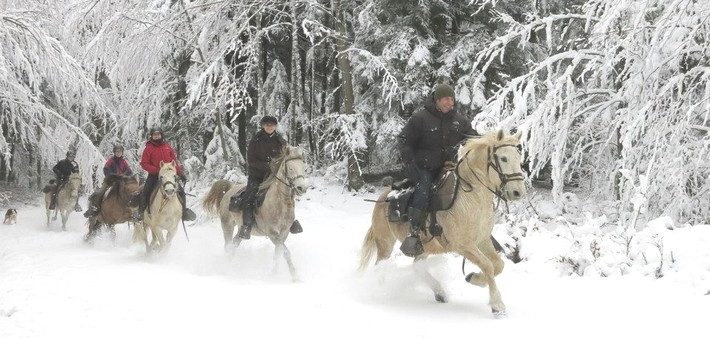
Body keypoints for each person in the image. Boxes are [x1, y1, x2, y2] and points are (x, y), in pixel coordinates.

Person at [397, 84, 475, 257]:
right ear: (437, 100)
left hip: (448, 167)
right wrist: (409, 160)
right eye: (446, 98)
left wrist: (492, 142)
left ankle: (477, 229)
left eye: (452, 98)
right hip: (422, 167)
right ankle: (414, 232)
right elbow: (403, 139)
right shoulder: (421, 118)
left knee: (467, 187)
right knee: (424, 188)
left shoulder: (459, 121)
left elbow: (473, 138)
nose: (450, 102)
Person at [233, 115, 302, 239]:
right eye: (267, 125)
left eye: (272, 125)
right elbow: (251, 160)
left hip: (275, 177)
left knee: (289, 195)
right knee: (249, 197)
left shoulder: (281, 141)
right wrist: (267, 165)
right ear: (263, 126)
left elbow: (286, 158)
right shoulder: (256, 141)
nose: (269, 127)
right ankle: (247, 226)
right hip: (257, 176)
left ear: (275, 126)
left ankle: (291, 222)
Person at [133, 127, 196, 222]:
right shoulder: (148, 148)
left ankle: (183, 212)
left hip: (169, 175)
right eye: (155, 134)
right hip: (155, 175)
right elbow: (144, 164)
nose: (157, 136)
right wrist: (158, 170)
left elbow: (174, 161)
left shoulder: (167, 147)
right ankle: (141, 212)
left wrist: (180, 172)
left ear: (161, 135)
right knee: (145, 191)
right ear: (151, 136)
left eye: (158, 134)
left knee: (181, 192)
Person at [83, 145, 134, 218]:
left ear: (122, 153)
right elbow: (105, 169)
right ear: (114, 152)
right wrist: (113, 175)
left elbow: (129, 171)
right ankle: (94, 207)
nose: (118, 153)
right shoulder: (111, 160)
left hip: (121, 182)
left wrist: (126, 175)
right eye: (117, 152)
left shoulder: (124, 161)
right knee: (100, 192)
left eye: (120, 152)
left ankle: (131, 209)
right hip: (110, 181)